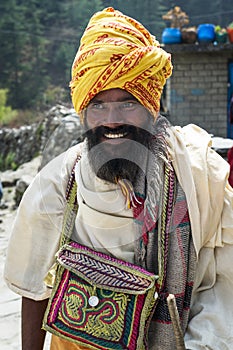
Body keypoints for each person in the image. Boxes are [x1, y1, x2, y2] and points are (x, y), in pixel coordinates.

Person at [4, 7, 233, 350]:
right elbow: (34, 288)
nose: (111, 120)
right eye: (97, 105)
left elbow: (219, 284)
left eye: (127, 104)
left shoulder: (200, 174)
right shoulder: (57, 183)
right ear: (82, 111)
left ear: (152, 108)